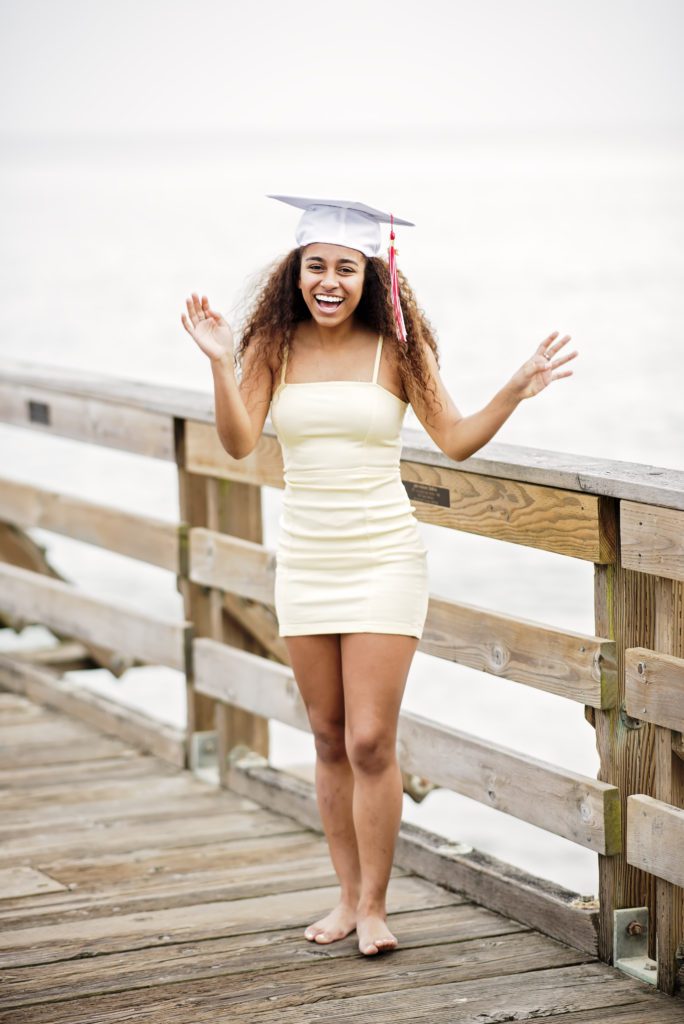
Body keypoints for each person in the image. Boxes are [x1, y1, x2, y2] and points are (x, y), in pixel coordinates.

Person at [181, 195, 578, 957]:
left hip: (384, 557)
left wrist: (515, 389)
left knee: (369, 739)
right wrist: (217, 361)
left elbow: (455, 440)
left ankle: (374, 906)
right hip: (306, 558)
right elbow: (236, 443)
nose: (329, 281)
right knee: (328, 737)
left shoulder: (396, 350)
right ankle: (342, 895)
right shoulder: (272, 346)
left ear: (370, 275)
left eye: (346, 268)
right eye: (316, 267)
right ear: (295, 273)